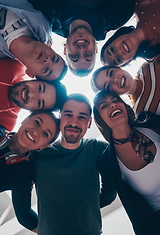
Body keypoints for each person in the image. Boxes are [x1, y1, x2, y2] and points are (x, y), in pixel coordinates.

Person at [32, 93, 116, 235]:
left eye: (82, 117)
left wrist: (89, 205)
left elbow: (110, 192)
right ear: (59, 118)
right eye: (68, 114)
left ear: (89, 123)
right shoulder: (39, 154)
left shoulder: (98, 149)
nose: (74, 122)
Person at [93, 90, 160, 235]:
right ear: (100, 120)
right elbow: (106, 197)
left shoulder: (148, 121)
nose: (112, 105)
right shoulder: (107, 161)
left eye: (115, 100)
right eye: (104, 105)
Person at [26, 0, 137, 76]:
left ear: (65, 50)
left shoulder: (47, 16)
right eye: (88, 55)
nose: (81, 49)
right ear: (96, 49)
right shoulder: (117, 16)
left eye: (74, 56)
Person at [0, 110, 60, 233]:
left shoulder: (24, 175)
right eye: (37, 123)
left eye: (45, 134)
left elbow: (25, 215)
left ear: (44, 146)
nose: (36, 132)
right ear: (25, 119)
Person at [0, 0, 67, 81]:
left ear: (30, 73)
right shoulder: (44, 25)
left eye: (46, 70)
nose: (47, 60)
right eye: (54, 58)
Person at [0, 57, 67, 132]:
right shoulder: (15, 63)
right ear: (35, 79)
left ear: (33, 111)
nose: (30, 95)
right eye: (39, 88)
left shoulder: (6, 124)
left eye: (39, 103)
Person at [101, 0, 160, 66]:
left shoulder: (139, 5)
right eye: (118, 59)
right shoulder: (158, 52)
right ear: (129, 61)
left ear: (114, 39)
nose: (119, 51)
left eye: (112, 49)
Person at [91, 61, 160, 115]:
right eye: (108, 86)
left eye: (111, 73)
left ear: (117, 67)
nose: (115, 80)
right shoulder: (140, 111)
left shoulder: (147, 66)